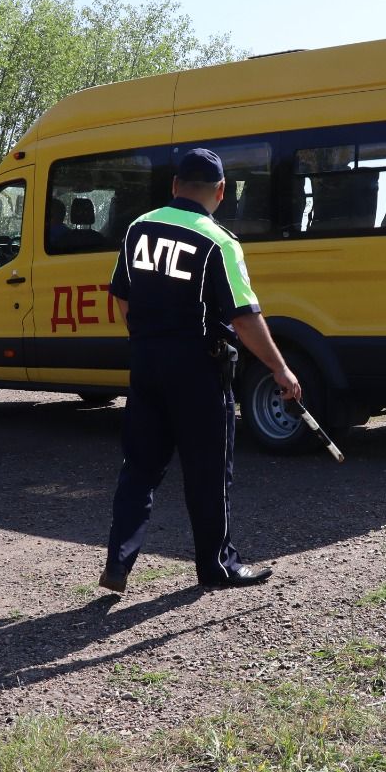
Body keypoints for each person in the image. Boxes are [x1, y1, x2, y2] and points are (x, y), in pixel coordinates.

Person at [99, 148, 301, 592]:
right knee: (208, 472)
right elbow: (245, 318)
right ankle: (217, 566)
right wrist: (281, 370)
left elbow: (122, 299)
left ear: (174, 186)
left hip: (147, 363)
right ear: (221, 192)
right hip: (197, 369)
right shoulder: (218, 241)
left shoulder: (139, 228)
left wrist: (148, 340)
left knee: (140, 468)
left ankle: (118, 562)